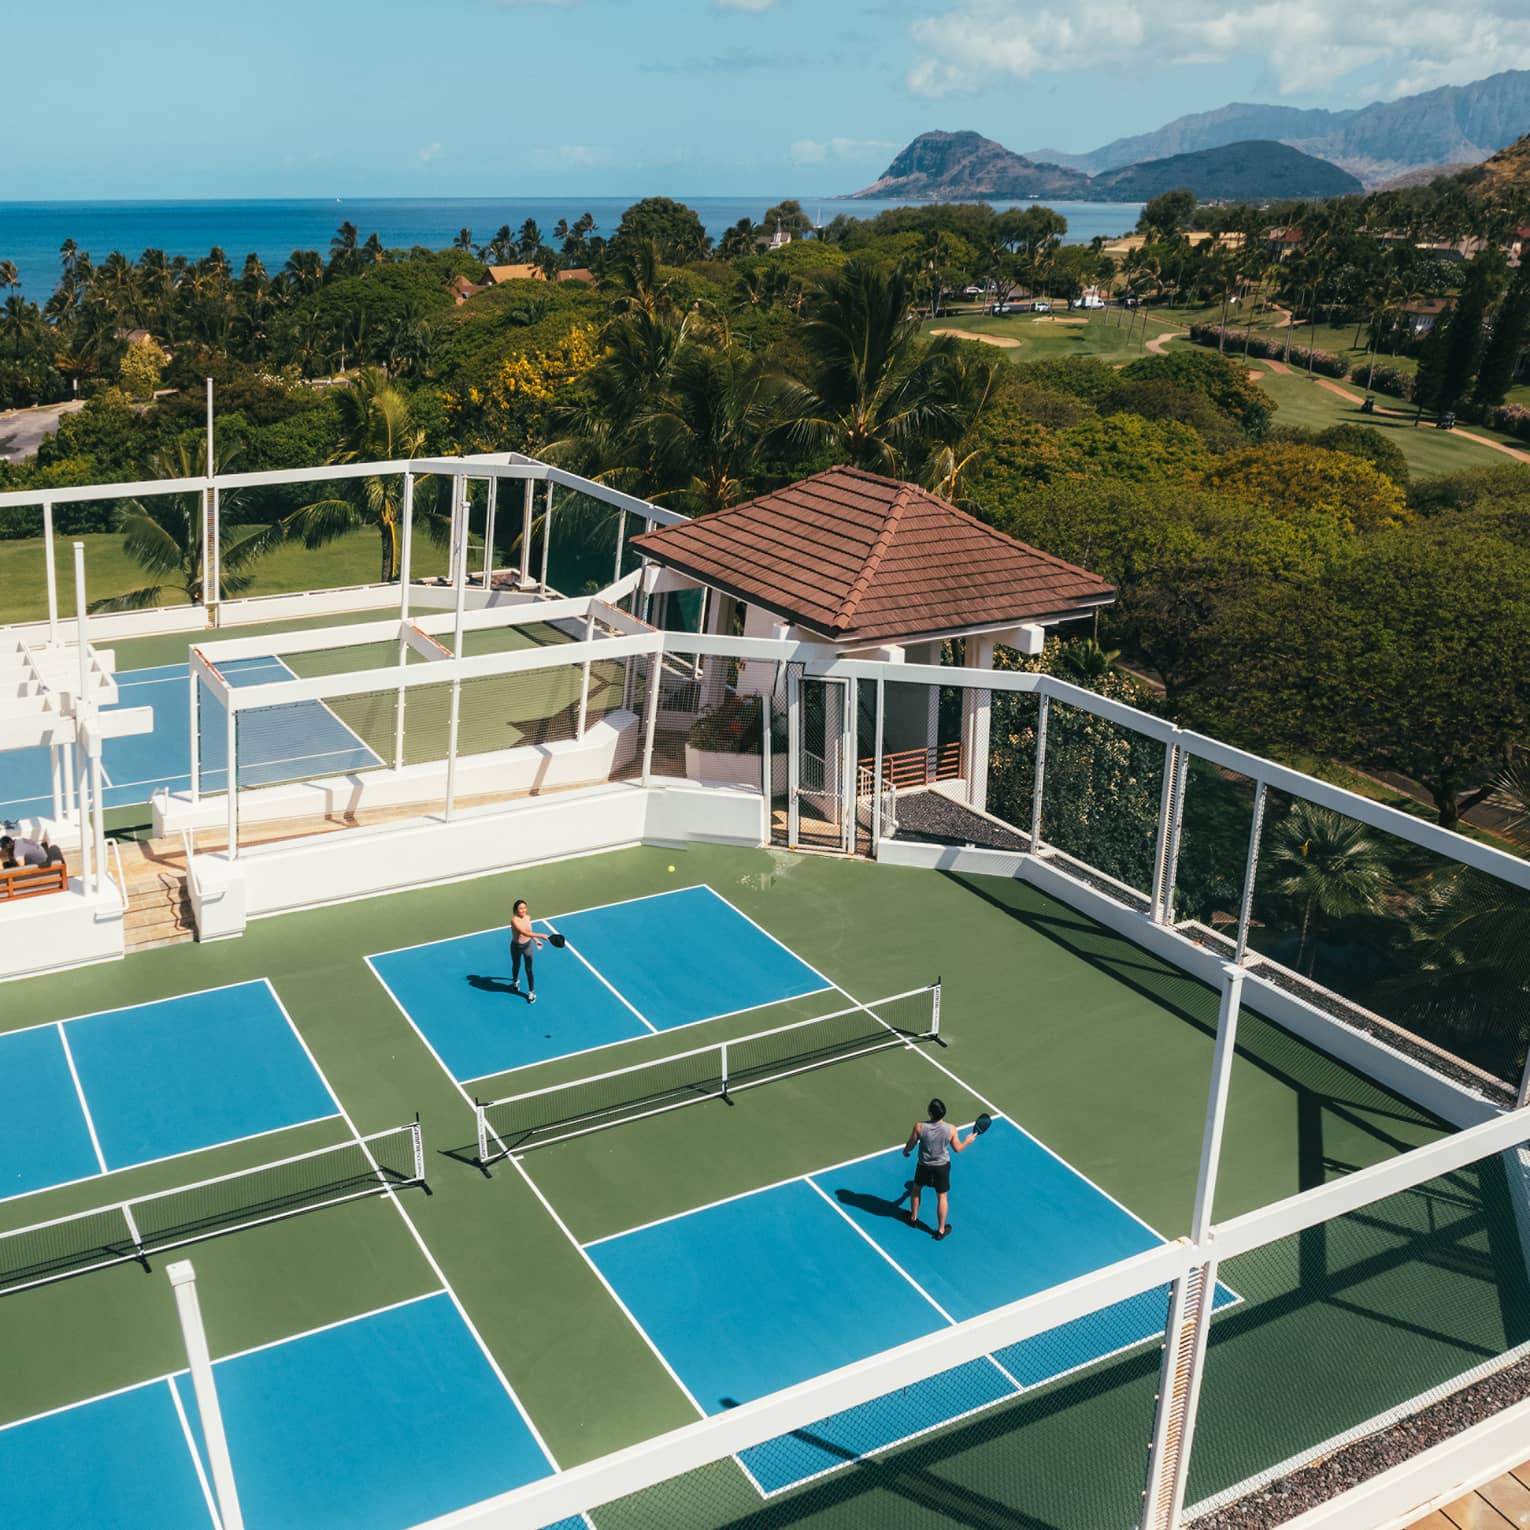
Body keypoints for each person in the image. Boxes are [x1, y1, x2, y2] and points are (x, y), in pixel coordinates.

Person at [902, 1097, 977, 1241]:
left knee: (916, 1189)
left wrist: (906, 1151)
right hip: (941, 1168)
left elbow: (911, 1144)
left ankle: (913, 1218)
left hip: (923, 1166)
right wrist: (967, 1141)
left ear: (930, 1113)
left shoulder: (919, 1126)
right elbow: (958, 1149)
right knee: (942, 1197)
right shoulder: (951, 1129)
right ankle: (941, 1230)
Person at [508, 898, 545, 1004]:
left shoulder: (528, 917)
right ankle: (515, 981)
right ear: (516, 910)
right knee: (516, 965)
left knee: (529, 970)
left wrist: (536, 940)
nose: (523, 910)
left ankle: (531, 992)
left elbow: (529, 931)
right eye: (521, 908)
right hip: (516, 947)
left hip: (527, 947)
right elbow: (524, 932)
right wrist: (542, 935)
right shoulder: (514, 920)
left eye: (525, 907)